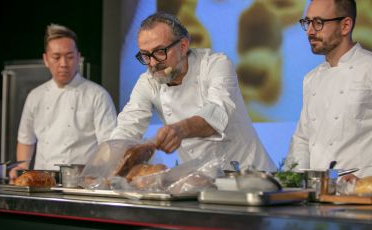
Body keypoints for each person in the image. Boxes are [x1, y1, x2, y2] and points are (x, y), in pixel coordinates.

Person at [111, 12, 276, 171]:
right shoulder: (148, 82)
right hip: (201, 180)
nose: (153, 63)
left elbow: (217, 113)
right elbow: (127, 127)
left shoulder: (215, 64)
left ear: (183, 46)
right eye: (145, 55)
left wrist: (180, 130)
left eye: (160, 52)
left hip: (250, 174)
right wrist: (106, 164)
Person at [9, 24, 118, 179]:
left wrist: (96, 173)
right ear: (46, 59)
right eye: (56, 57)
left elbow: (108, 145)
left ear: (78, 58)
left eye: (70, 57)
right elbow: (26, 140)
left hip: (81, 183)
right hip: (42, 182)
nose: (63, 64)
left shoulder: (97, 95)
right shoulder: (35, 96)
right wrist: (22, 168)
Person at [285, 0, 372, 179]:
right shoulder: (312, 78)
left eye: (318, 23)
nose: (310, 31)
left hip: (363, 196)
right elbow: (302, 139)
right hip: (321, 195)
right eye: (307, 22)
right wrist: (294, 183)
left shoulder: (368, 68)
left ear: (345, 25)